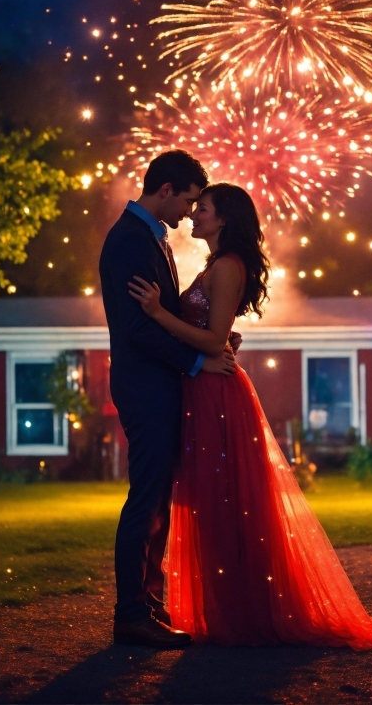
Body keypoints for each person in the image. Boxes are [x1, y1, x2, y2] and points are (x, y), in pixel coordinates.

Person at [129, 183, 372, 650]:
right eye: (195, 208)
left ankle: (240, 612)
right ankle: (227, 608)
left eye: (204, 209)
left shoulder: (229, 267)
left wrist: (157, 313)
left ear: (224, 219)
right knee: (209, 502)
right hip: (202, 388)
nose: (195, 216)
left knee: (223, 501)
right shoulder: (216, 265)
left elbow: (215, 339)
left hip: (216, 392)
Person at [99, 151, 239, 649]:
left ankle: (147, 602)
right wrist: (197, 362)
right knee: (146, 498)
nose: (188, 212)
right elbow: (138, 327)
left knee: (159, 499)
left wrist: (210, 339)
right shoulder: (130, 242)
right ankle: (130, 612)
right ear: (165, 190)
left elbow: (166, 316)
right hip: (146, 387)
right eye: (187, 200)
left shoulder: (147, 237)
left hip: (159, 385)